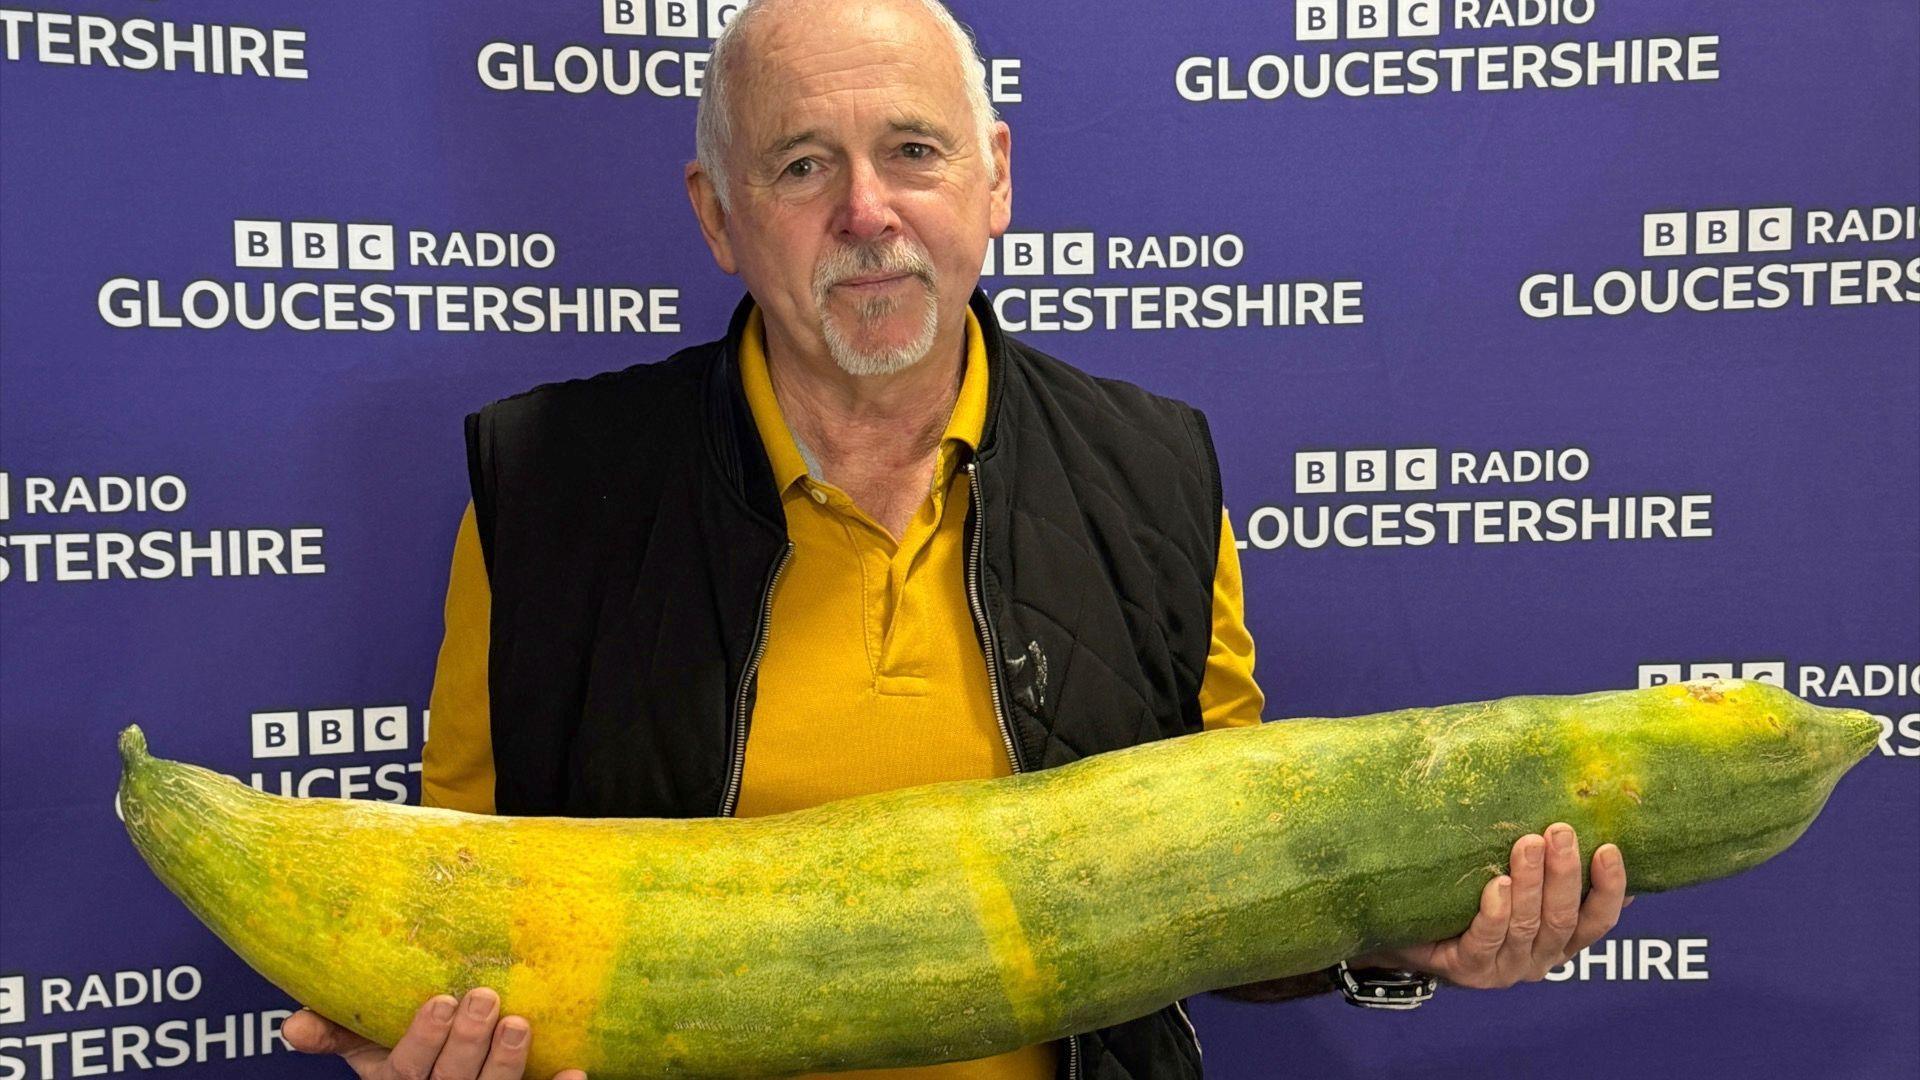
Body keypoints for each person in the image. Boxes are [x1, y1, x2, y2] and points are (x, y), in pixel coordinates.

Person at [281, 1, 1632, 1077]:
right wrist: (428, 1035)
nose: (866, 213)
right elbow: (463, 879)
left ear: (994, 180)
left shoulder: (1156, 469)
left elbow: (1234, 889)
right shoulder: (548, 483)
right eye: (802, 164)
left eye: (914, 152)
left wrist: (1400, 931)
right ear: (717, 215)